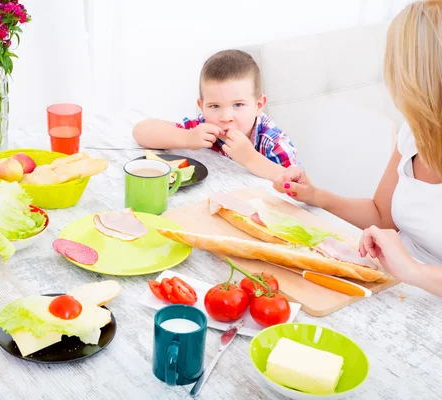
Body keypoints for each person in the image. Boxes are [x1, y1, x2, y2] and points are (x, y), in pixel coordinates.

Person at [273, 1, 442, 297]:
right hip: (400, 290)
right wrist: (317, 196)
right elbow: (381, 215)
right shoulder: (414, 132)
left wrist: (413, 271)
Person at [132, 49, 300, 181]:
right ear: (202, 107)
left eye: (238, 105)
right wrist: (187, 137)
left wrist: (250, 158)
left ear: (259, 105)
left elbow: (299, 186)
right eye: (214, 106)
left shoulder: (272, 142)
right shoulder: (202, 127)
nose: (226, 117)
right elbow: (141, 131)